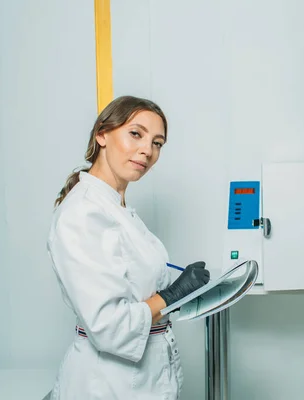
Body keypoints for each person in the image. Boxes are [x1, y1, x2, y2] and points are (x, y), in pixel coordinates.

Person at [46, 95, 210, 399]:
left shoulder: (117, 209)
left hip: (141, 379)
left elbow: (133, 286)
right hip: (108, 384)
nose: (147, 150)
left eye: (158, 143)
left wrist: (182, 289)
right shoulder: (83, 213)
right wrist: (173, 294)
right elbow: (110, 326)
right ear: (102, 134)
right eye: (136, 133)